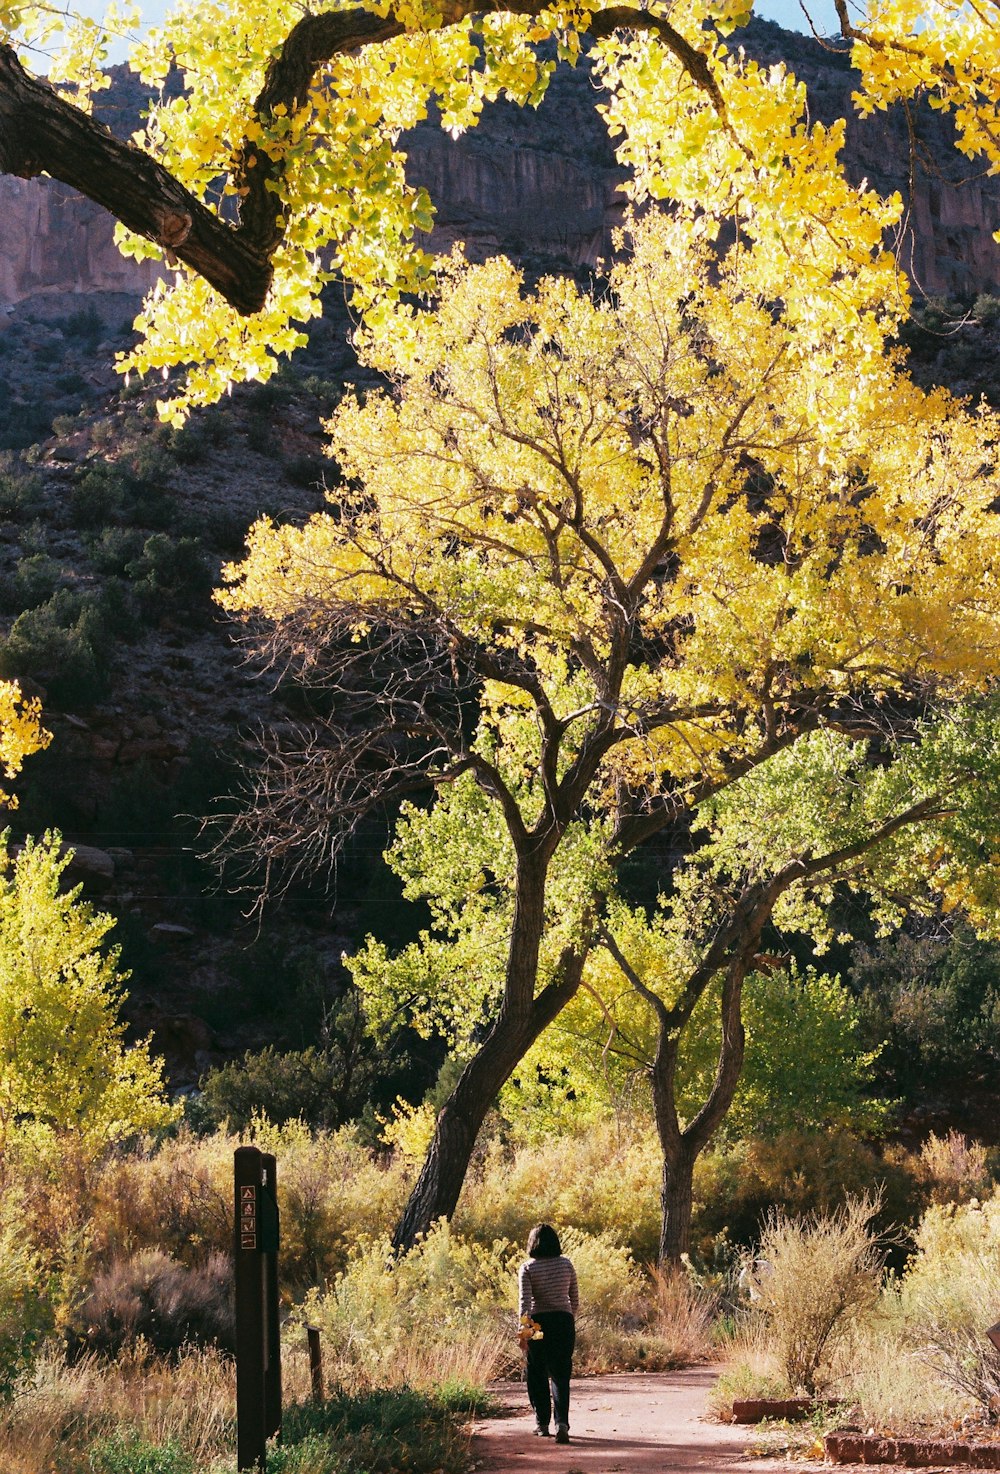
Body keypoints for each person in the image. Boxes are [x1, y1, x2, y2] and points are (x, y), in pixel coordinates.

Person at [517, 1223, 579, 1444]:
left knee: (537, 1372)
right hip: (563, 1320)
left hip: (538, 1323)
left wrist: (524, 1331)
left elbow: (525, 1303)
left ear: (532, 1243)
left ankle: (542, 1423)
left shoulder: (527, 1268)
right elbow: (575, 1299)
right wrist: (567, 1318)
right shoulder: (566, 1264)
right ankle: (562, 1423)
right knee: (561, 1374)